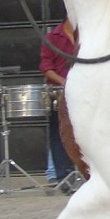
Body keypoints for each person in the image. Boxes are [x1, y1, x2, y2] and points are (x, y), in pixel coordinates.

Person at [39, 19, 78, 188]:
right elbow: (46, 67)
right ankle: (63, 176)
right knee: (59, 134)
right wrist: (63, 81)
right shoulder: (52, 37)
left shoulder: (85, 35)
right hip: (60, 92)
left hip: (82, 91)